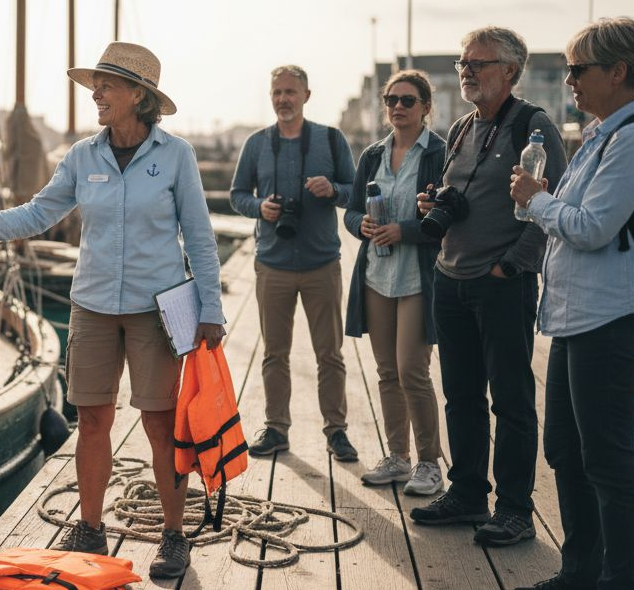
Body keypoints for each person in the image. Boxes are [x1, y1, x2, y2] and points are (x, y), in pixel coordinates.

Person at [0, 42, 225, 580]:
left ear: (140, 95)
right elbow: (37, 214)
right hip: (91, 307)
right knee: (91, 419)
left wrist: (211, 310)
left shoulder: (176, 155)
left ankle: (174, 535)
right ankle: (91, 528)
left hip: (158, 311)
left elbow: (200, 239)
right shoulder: (83, 156)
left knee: (160, 425)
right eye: (96, 85)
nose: (97, 94)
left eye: (107, 85)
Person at [507, 17, 634, 590]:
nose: (569, 79)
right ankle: (580, 576)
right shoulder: (602, 134)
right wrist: (548, 201)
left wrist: (539, 199)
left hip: (613, 318)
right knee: (568, 454)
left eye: (578, 68)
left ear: (618, 72)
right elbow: (572, 218)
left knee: (608, 461)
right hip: (580, 317)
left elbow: (592, 225)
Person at [409, 27, 566, 547]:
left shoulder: (533, 127)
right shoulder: (460, 128)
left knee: (512, 400)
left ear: (511, 71)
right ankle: (468, 493)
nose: (467, 71)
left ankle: (516, 509)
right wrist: (434, 206)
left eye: (479, 63)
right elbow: (460, 195)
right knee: (461, 395)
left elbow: (550, 211)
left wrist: (511, 267)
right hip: (450, 278)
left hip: (500, 284)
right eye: (463, 62)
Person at [230, 66, 358, 462]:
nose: (283, 99)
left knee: (329, 354)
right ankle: (276, 428)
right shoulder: (256, 143)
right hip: (273, 263)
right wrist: (260, 208)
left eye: (291, 92)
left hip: (321, 262)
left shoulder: (331, 140)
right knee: (274, 353)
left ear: (306, 95)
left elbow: (355, 192)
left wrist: (332, 189)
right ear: (271, 96)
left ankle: (336, 431)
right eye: (277, 92)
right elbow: (237, 195)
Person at [342, 70, 445, 496]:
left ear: (425, 107)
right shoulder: (372, 155)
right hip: (376, 277)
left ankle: (429, 464)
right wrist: (362, 224)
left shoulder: (439, 153)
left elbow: (447, 218)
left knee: (411, 370)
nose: (398, 108)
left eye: (407, 100)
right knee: (386, 372)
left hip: (418, 278)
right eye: (392, 100)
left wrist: (406, 229)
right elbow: (349, 213)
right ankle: (398, 457)